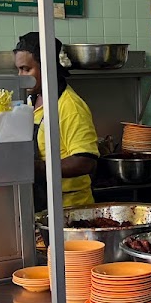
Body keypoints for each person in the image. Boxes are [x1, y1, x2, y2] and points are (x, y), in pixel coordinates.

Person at [13, 32, 98, 208]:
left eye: (26, 69)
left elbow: (85, 161)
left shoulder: (70, 107)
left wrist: (37, 169)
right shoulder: (31, 99)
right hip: (42, 205)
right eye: (18, 69)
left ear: (47, 67)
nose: (20, 75)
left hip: (70, 210)